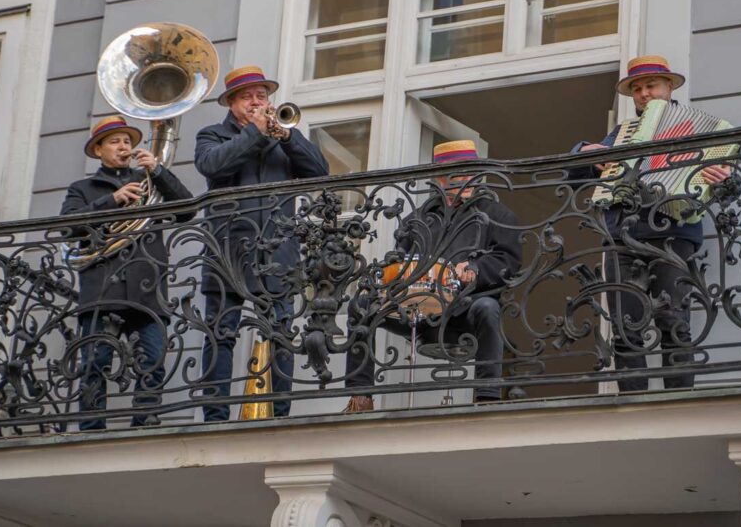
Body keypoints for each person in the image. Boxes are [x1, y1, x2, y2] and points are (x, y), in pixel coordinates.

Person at [571, 55, 732, 391]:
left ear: (668, 86)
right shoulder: (623, 133)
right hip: (622, 233)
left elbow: (730, 186)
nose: (644, 93)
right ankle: (633, 400)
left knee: (673, 319)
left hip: (673, 232)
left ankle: (679, 397)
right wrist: (588, 151)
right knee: (624, 323)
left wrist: (721, 179)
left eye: (650, 86)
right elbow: (577, 171)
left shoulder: (698, 128)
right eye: (637, 89)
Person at [343, 140, 522, 412]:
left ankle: (487, 397)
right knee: (362, 306)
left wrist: (474, 270)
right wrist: (396, 278)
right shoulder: (418, 218)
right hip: (419, 309)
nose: (466, 178)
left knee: (489, 307)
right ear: (440, 177)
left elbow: (507, 261)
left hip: (466, 308)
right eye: (458, 172)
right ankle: (361, 397)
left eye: (470, 171)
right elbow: (400, 259)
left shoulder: (498, 214)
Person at [194, 65, 329, 421]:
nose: (257, 102)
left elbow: (319, 171)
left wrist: (288, 136)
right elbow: (212, 166)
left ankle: (279, 413)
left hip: (277, 249)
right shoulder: (212, 136)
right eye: (248, 96)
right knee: (220, 333)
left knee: (280, 333)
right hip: (227, 248)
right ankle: (215, 416)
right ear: (232, 103)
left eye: (262, 95)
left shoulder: (281, 137)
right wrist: (253, 133)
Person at [61, 115, 193, 430]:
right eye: (115, 141)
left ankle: (144, 423)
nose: (124, 147)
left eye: (127, 141)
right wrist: (112, 201)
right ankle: (90, 430)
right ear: (98, 150)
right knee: (96, 362)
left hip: (147, 287)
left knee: (154, 359)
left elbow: (187, 209)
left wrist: (159, 171)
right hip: (103, 288)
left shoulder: (149, 181)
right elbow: (67, 226)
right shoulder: (83, 188)